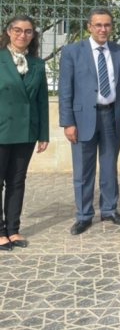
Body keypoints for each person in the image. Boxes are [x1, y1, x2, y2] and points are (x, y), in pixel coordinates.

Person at [59, 8, 120, 235]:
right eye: (98, 25)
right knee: (83, 171)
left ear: (112, 27)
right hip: (82, 120)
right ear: (89, 27)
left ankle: (110, 210)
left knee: (110, 166)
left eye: (107, 25)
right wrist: (68, 122)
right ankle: (84, 215)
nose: (103, 29)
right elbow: (65, 89)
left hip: (112, 116)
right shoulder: (73, 51)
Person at [0, 16, 49, 250]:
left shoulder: (37, 64)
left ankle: (13, 229)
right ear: (8, 32)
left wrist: (44, 134)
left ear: (33, 35)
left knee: (17, 181)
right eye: (17, 30)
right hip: (1, 129)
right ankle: (0, 231)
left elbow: (42, 102)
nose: (22, 35)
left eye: (28, 31)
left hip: (26, 131)